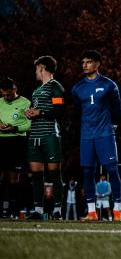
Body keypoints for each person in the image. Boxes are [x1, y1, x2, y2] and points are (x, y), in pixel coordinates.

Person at [71, 50, 121, 221]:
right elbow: (77, 111)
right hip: (87, 135)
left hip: (105, 134)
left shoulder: (109, 85)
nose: (84, 65)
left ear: (98, 64)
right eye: (83, 62)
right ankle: (92, 212)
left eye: (88, 62)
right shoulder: (77, 88)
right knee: (87, 172)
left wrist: (112, 126)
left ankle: (117, 211)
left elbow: (117, 109)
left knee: (112, 170)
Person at [24, 56, 66, 220]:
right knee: (36, 175)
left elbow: (59, 110)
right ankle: (39, 210)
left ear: (41, 67)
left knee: (54, 174)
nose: (35, 72)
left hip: (50, 135)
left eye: (36, 68)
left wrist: (40, 112)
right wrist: (30, 113)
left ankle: (57, 210)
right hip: (35, 135)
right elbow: (37, 111)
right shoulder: (36, 90)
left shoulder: (55, 87)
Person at [0, 78, 31, 218]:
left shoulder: (25, 103)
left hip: (17, 141)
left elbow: (30, 124)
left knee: (14, 177)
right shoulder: (0, 102)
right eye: (4, 95)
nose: (6, 97)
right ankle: (1, 210)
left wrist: (15, 128)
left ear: (15, 89)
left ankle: (13, 210)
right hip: (1, 141)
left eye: (9, 94)